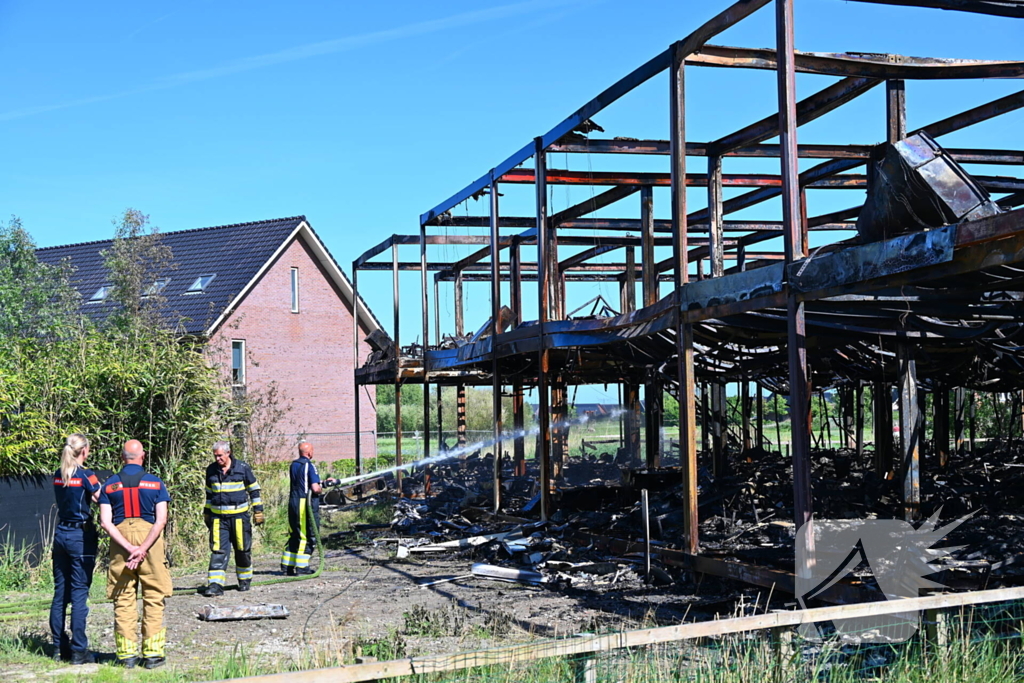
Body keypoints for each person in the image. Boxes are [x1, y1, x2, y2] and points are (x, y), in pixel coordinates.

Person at [98, 440, 172, 670]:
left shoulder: (109, 486)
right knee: (153, 595)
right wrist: (143, 547)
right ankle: (152, 655)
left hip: (121, 543)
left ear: (122, 458)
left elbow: (105, 522)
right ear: (143, 456)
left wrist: (129, 548)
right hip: (150, 541)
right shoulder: (155, 483)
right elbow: (161, 520)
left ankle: (127, 656)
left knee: (123, 596)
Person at [49, 434, 101, 665]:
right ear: (84, 451)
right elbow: (102, 498)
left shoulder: (59, 475)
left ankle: (59, 647)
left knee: (61, 592)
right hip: (80, 536)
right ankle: (80, 650)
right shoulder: (85, 474)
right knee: (79, 593)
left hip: (60, 534)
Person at [201, 440, 264, 597]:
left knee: (242, 549)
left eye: (220, 456)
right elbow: (209, 494)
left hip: (239, 517)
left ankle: (244, 580)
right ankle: (215, 585)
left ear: (228, 453)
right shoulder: (211, 470)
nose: (217, 459)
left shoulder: (242, 468)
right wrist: (207, 512)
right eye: (215, 456)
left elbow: (254, 489)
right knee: (218, 550)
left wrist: (258, 511)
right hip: (218, 518)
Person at [280, 441, 335, 575]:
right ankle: (302, 566)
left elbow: (304, 482)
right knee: (308, 535)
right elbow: (315, 489)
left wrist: (323, 482)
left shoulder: (294, 465)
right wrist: (322, 487)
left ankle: (288, 565)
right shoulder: (310, 466)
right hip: (305, 504)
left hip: (293, 502)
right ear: (310, 453)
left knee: (295, 533)